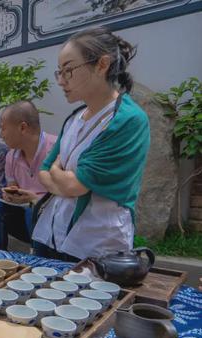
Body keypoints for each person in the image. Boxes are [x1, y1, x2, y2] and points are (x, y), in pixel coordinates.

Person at [32, 27, 150, 261]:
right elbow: (43, 172)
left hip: (96, 243)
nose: (61, 81)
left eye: (69, 71)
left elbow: (76, 186)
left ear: (102, 65)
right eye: (60, 72)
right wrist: (60, 178)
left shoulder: (127, 120)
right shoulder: (74, 118)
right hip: (52, 233)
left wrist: (59, 172)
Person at [0, 100, 57, 250]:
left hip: (54, 217)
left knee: (33, 210)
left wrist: (35, 200)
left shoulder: (56, 149)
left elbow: (69, 196)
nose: (1, 135)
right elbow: (12, 188)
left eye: (3, 129)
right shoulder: (11, 156)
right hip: (25, 213)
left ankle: (40, 261)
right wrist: (11, 196)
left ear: (22, 127)